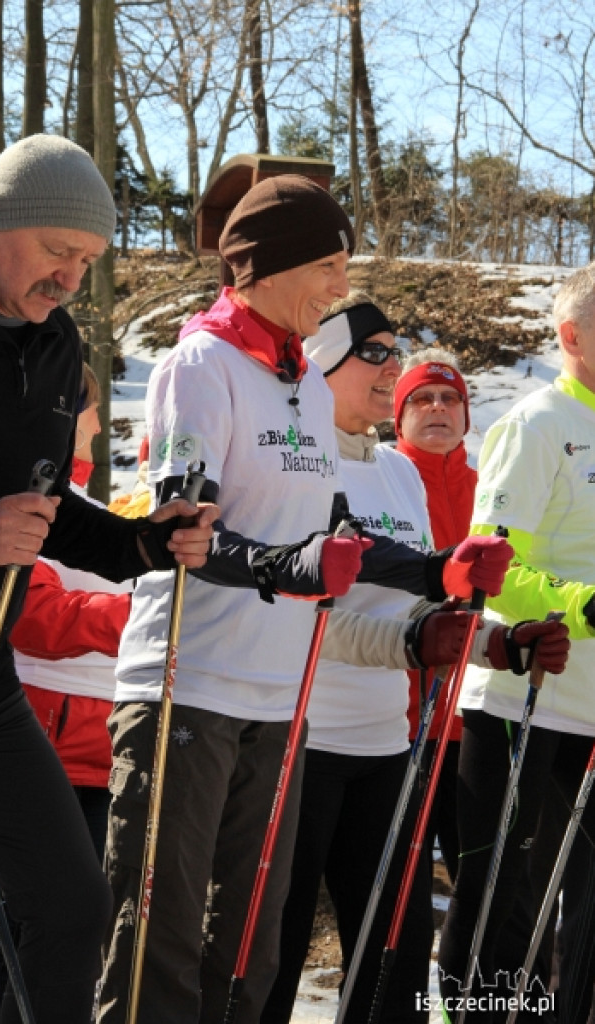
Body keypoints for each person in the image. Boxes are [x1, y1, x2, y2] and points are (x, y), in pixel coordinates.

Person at [96, 177, 514, 1024]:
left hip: (279, 699)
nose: (338, 287)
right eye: (328, 265)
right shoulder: (200, 363)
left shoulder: (302, 384)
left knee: (247, 954)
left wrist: (441, 572)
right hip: (188, 686)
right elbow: (183, 530)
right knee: (161, 951)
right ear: (271, 267)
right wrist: (294, 568)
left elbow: (339, 534)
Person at [0, 134, 217, 1024]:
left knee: (71, 908)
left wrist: (142, 546)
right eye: (58, 252)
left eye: (86, 262)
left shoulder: (53, 348)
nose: (70, 279)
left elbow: (48, 511)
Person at [260, 298, 568, 1024]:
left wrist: (500, 643)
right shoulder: (301, 459)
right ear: (323, 365)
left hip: (388, 744)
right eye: (373, 354)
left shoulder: (398, 474)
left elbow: (418, 606)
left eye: (394, 352)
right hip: (304, 742)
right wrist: (408, 645)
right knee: (281, 947)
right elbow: (302, 612)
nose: (390, 366)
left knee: (390, 964)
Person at [438, 261, 595, 1023]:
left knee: (585, 911)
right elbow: (491, 567)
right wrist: (582, 604)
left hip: (594, 711)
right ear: (572, 336)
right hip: (525, 700)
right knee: (504, 902)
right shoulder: (536, 424)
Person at [0, 362, 133, 1023]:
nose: (85, 418)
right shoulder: (22, 500)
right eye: (78, 406)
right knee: (21, 929)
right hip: (44, 751)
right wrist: (135, 618)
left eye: (80, 405)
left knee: (53, 931)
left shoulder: (90, 513)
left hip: (101, 751)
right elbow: (33, 619)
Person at [395, 347, 477, 882]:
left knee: (481, 872)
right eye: (421, 399)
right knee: (401, 876)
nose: (438, 408)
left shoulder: (491, 486)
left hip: (477, 720)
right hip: (401, 718)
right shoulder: (384, 481)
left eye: (450, 398)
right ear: (398, 415)